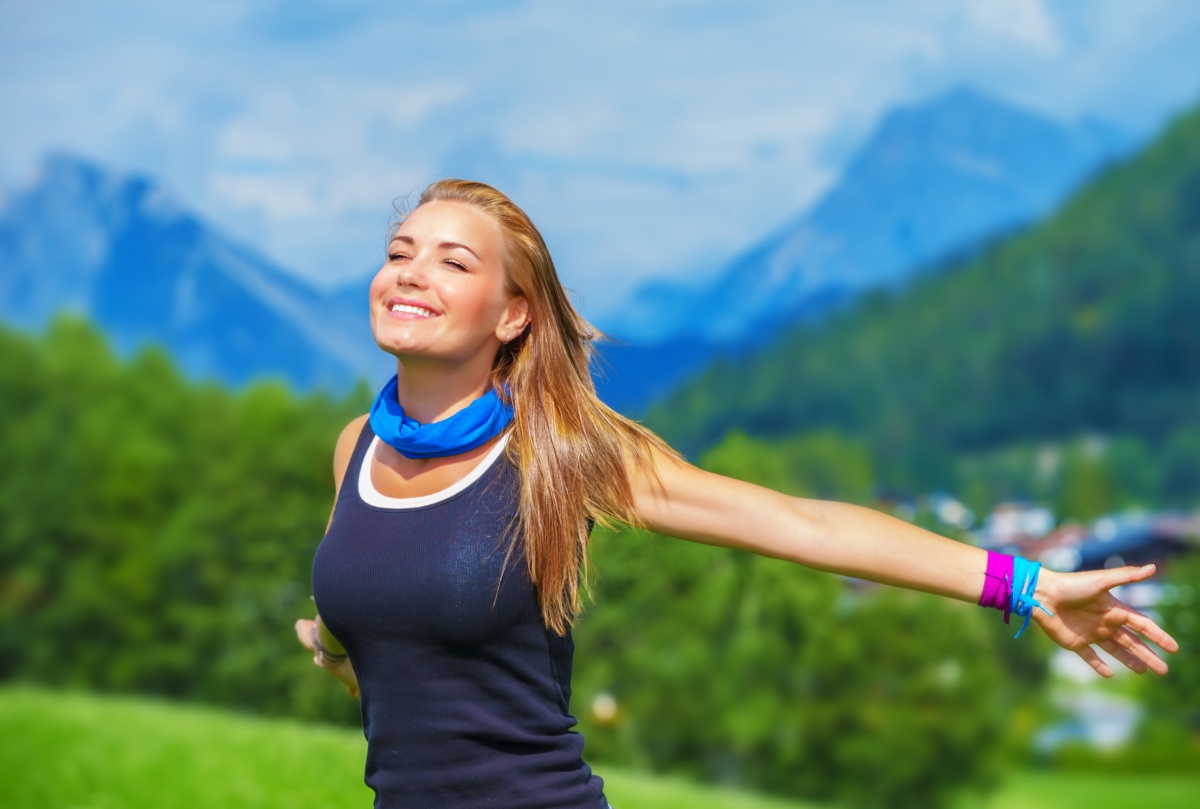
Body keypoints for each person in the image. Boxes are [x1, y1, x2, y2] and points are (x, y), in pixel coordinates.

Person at [294, 179, 1177, 809]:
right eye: (398, 253)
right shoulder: (356, 451)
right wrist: (337, 645)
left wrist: (1025, 584)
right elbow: (376, 619)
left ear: (513, 313)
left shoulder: (562, 455)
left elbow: (801, 523)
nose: (410, 272)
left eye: (451, 262)